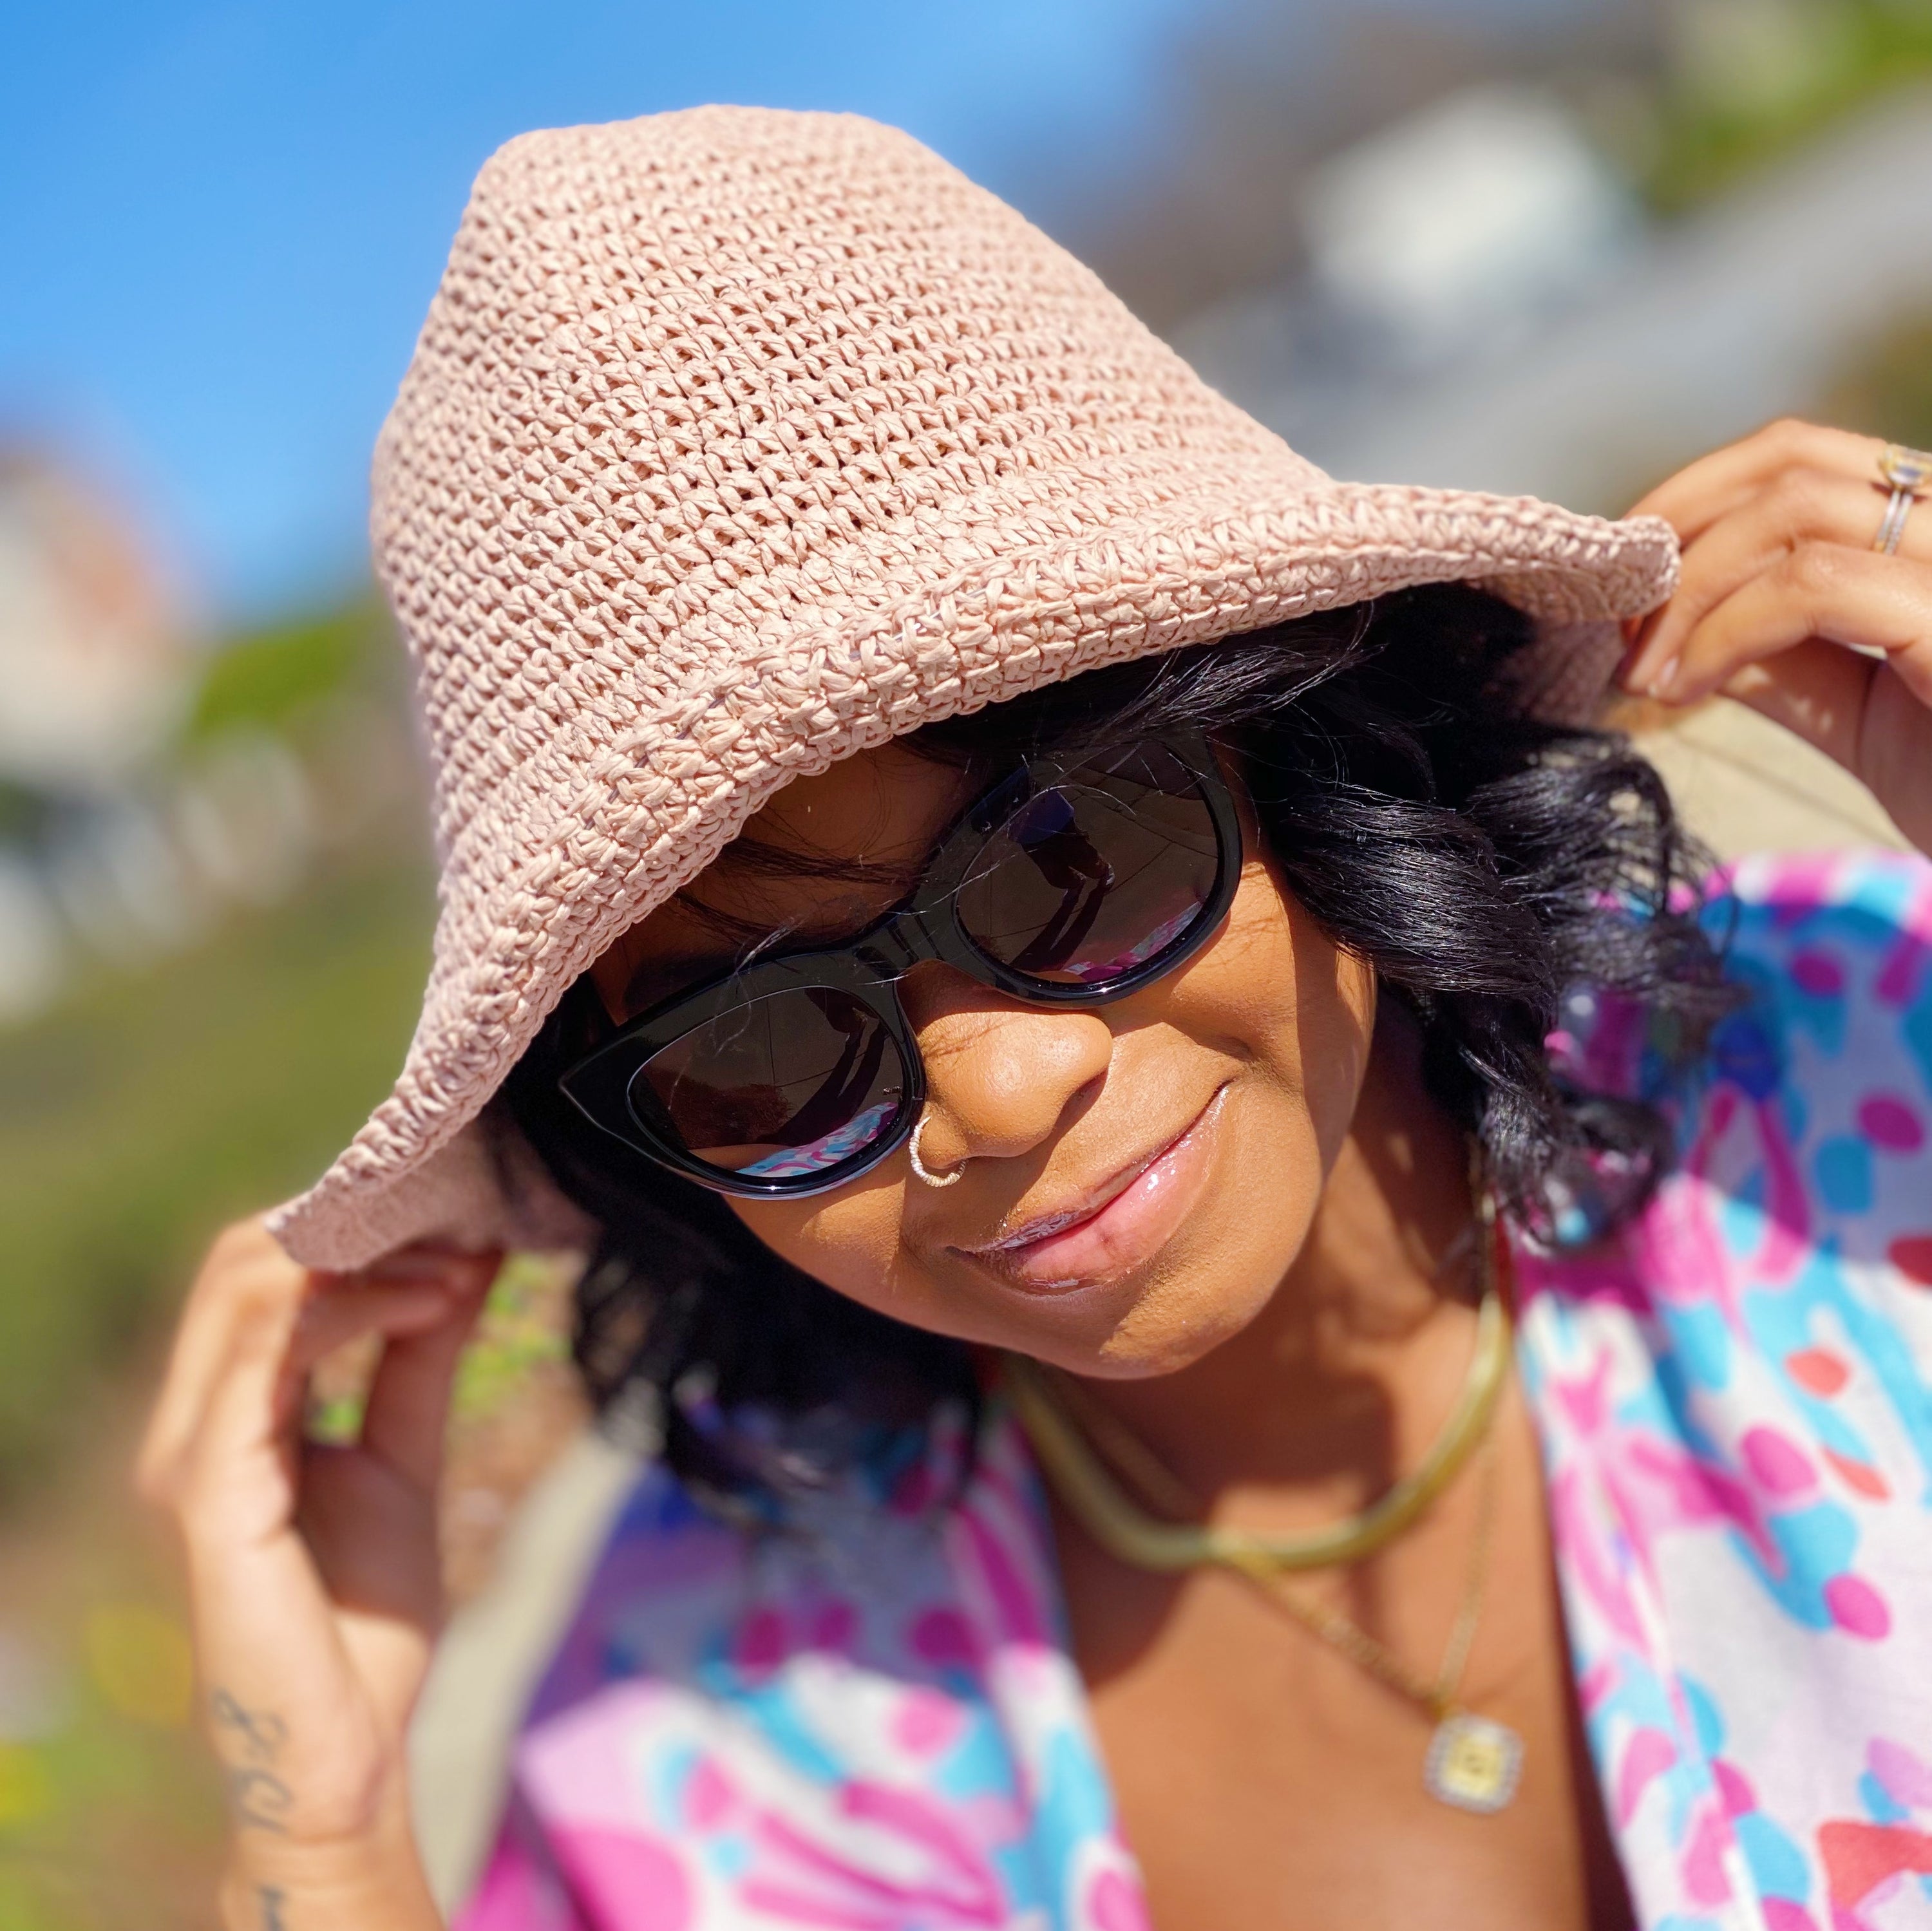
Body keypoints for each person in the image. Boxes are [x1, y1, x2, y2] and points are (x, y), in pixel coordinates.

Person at [136, 109, 1932, 1931]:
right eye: (762, 1048)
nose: (995, 1090)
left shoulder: (1873, 1068)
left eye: (1078, 858)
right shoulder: (712, 1729)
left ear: (1304, 742)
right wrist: (325, 1848)